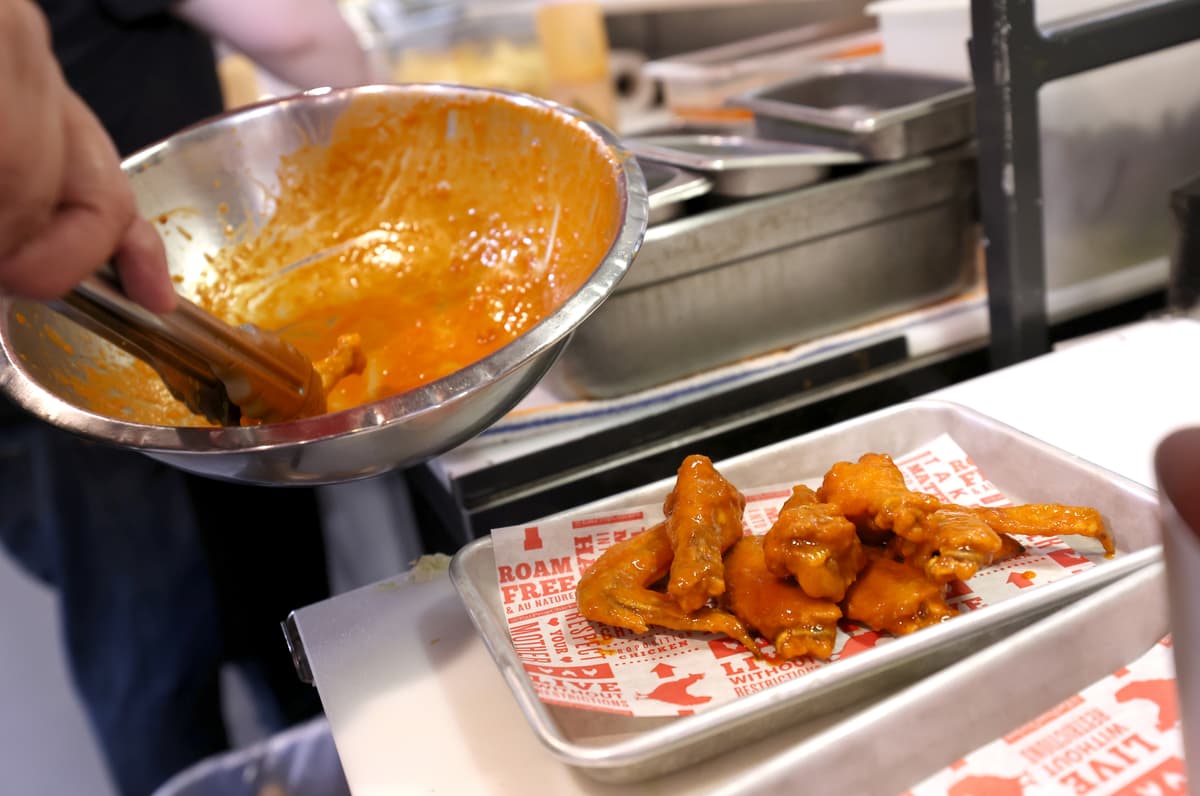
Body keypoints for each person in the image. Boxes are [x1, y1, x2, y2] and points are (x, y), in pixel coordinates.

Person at [0, 1, 371, 794]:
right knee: (173, 657)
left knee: (177, 649)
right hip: (95, 355)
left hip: (87, 337)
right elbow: (297, 30)